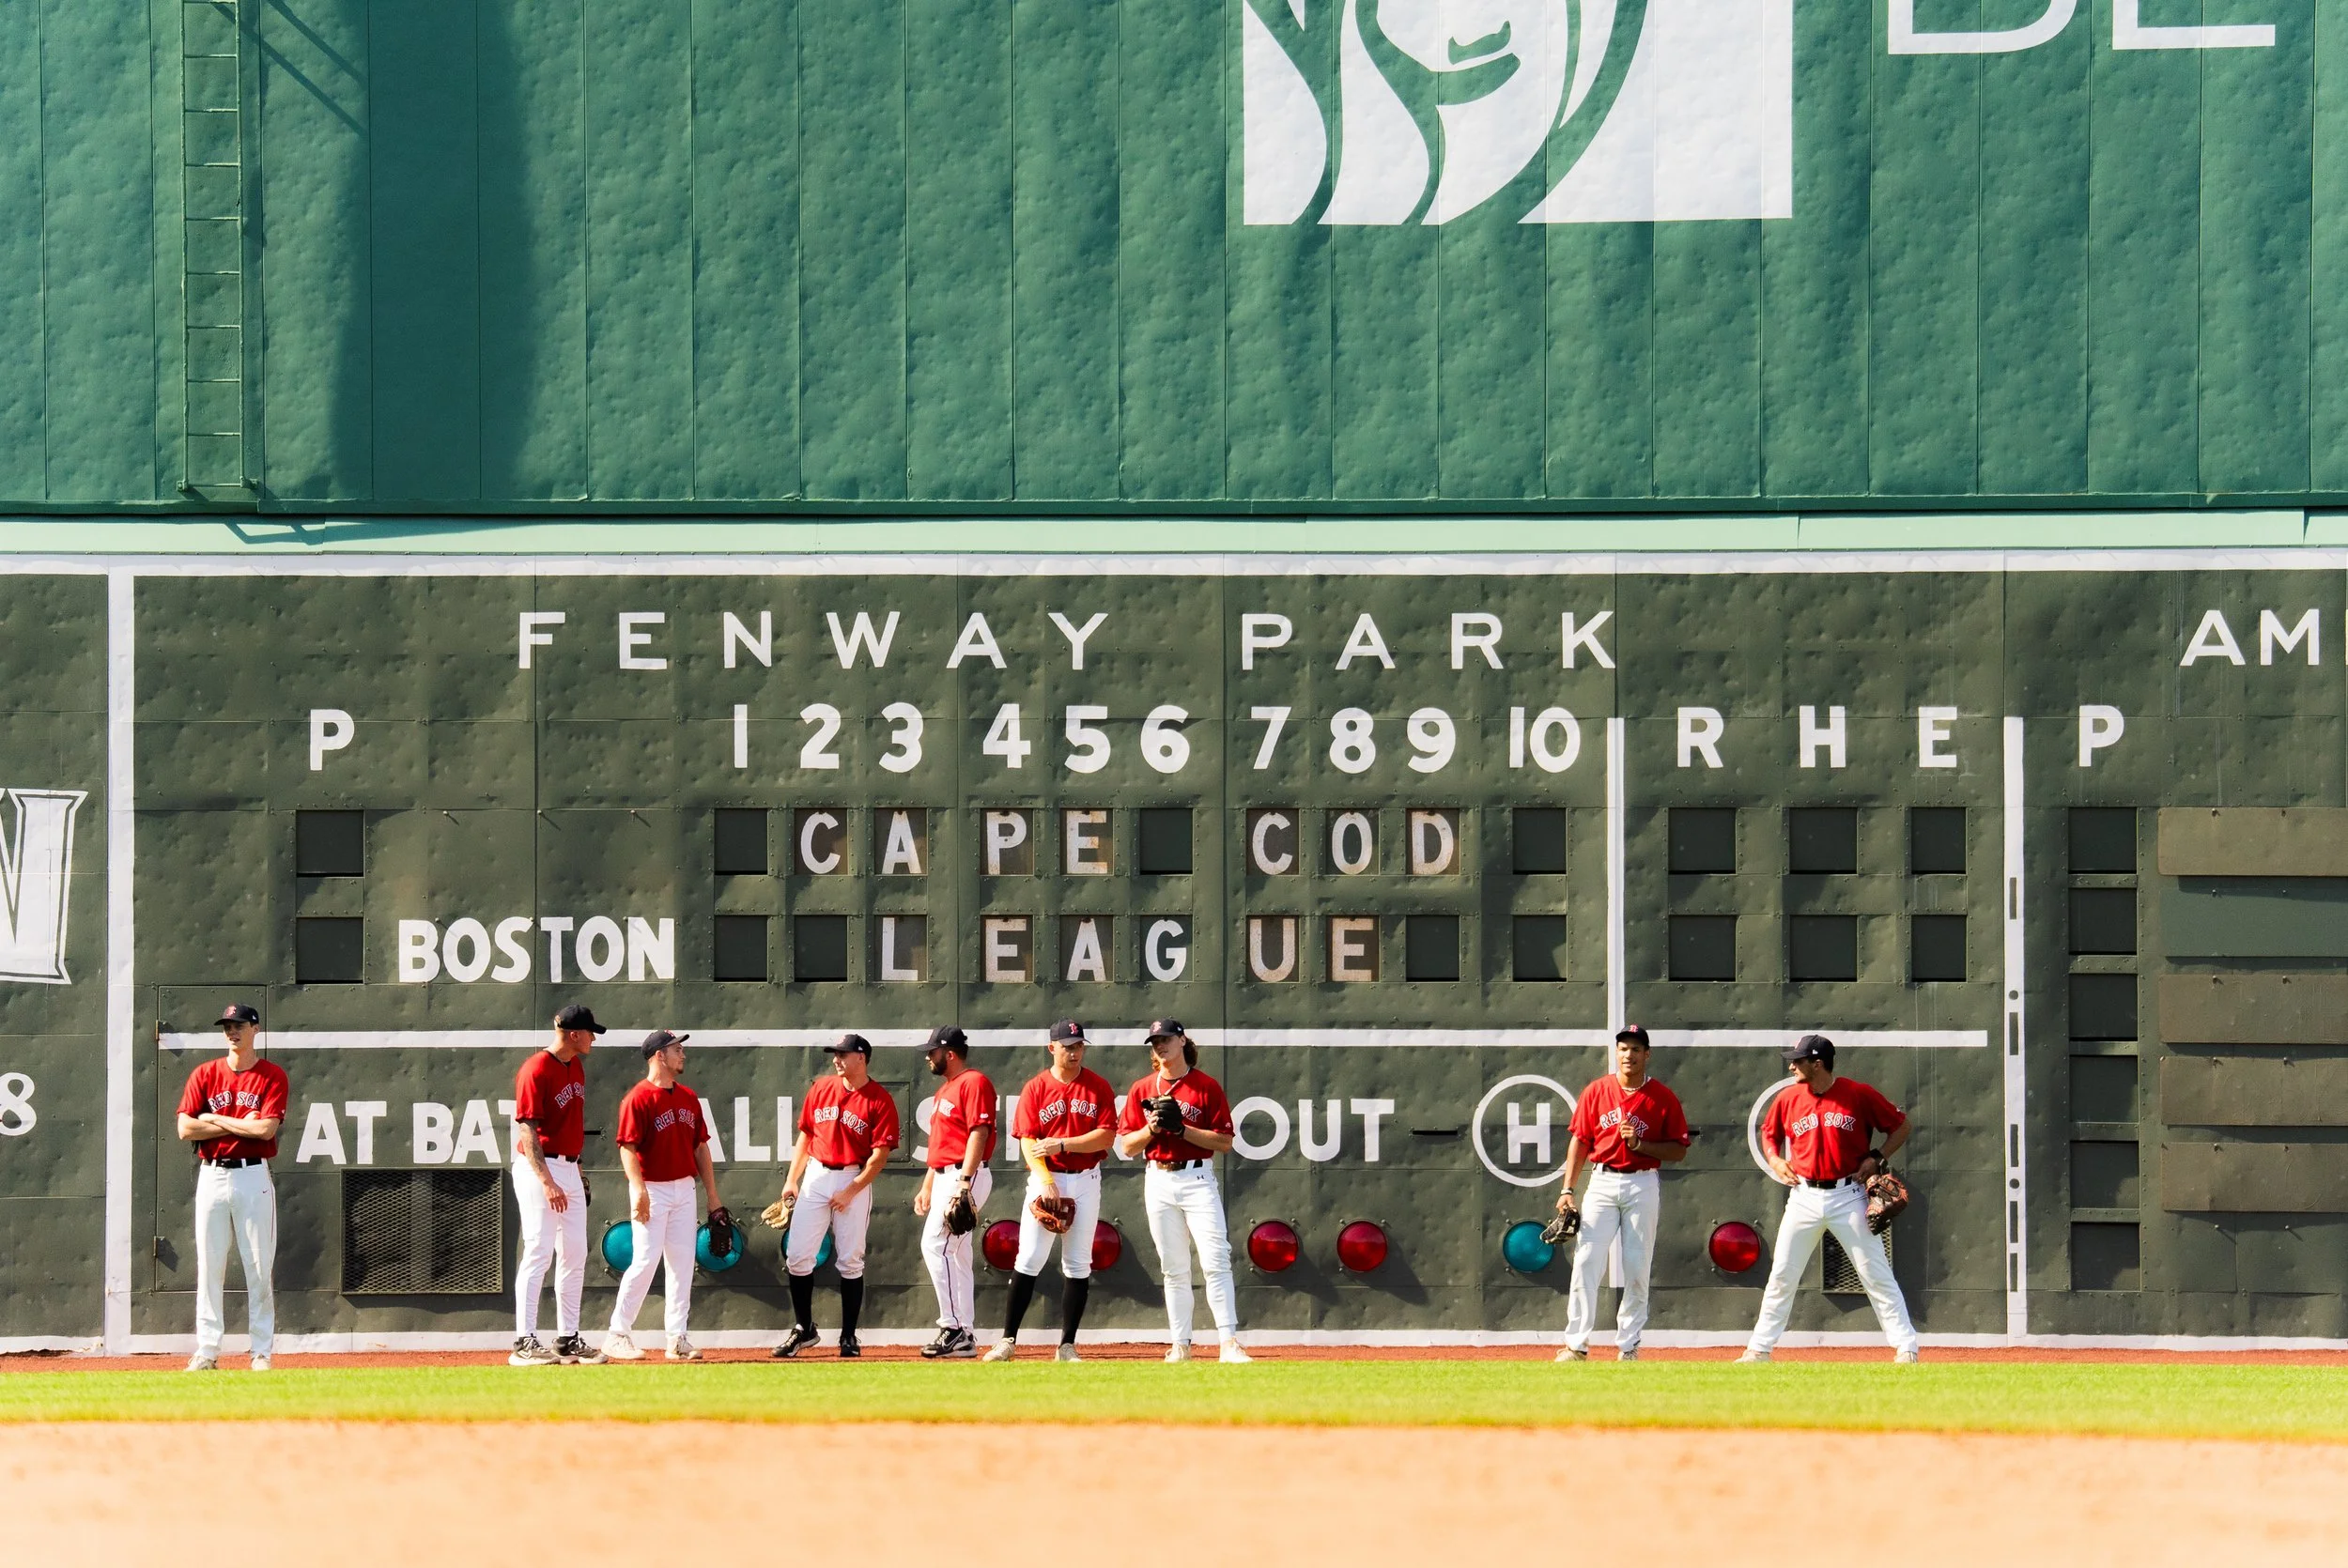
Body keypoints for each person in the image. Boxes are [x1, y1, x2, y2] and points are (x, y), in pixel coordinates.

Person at [1738, 1034, 1920, 1364]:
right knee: (1782, 1274)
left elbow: (1901, 1125)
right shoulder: (1789, 1098)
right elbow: (1769, 1133)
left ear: (1817, 1063)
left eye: (1798, 1060)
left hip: (1848, 1194)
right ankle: (1759, 1349)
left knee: (1875, 1272)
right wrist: (1776, 1160)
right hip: (1804, 1196)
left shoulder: (1857, 1094)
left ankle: (1906, 1347)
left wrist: (1877, 1156)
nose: (1792, 1065)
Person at [1114, 1020, 1250, 1364]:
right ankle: (1181, 1344)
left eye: (1166, 1039)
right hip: (1158, 1179)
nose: (1160, 1046)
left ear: (1182, 1040)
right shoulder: (1142, 1088)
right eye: (1155, 1041)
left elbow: (1224, 1142)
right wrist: (1153, 1128)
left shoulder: (1205, 1086)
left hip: (1197, 1179)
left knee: (1215, 1260)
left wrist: (1182, 1129)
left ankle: (1228, 1342)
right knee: (1173, 1267)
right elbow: (1128, 1146)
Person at [985, 1019, 1120, 1363]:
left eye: (1078, 1046)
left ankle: (1067, 1346)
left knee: (1077, 1264)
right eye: (1067, 1046)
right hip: (1048, 1178)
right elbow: (1029, 1140)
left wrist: (1062, 1144)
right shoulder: (1036, 1088)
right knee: (1028, 1258)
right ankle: (1007, 1341)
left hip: (1086, 1178)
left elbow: (1106, 1136)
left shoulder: (1098, 1087)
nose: (1074, 1052)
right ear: (1052, 1048)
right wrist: (1045, 1179)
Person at [1553, 1023, 1689, 1362]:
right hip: (1601, 1181)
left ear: (1647, 1054)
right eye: (1623, 1048)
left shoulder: (1663, 1097)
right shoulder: (1597, 1091)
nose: (1629, 1055)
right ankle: (1576, 1345)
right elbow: (1581, 1140)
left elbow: (1678, 1151)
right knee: (1587, 1261)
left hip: (1642, 1182)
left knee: (1636, 1265)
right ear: (1617, 1053)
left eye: (1636, 1049)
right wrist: (1567, 1188)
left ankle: (1628, 1346)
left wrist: (1641, 1144)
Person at [596, 1029, 725, 1363]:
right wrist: (638, 1189)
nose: (682, 1055)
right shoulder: (638, 1098)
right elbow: (627, 1147)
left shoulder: (688, 1097)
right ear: (659, 1057)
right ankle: (617, 1334)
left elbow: (701, 1147)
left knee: (682, 1264)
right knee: (644, 1260)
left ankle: (677, 1338)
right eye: (676, 1050)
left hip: (684, 1187)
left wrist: (712, 1196)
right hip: (651, 1187)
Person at [176, 1003, 289, 1373]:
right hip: (212, 1173)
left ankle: (260, 1352)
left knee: (258, 1266)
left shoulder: (271, 1076)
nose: (231, 1031)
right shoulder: (205, 1074)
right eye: (227, 1026)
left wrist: (215, 1118)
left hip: (253, 1175)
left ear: (255, 1028)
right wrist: (240, 1122)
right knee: (209, 1265)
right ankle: (207, 1351)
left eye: (239, 1025)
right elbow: (186, 1130)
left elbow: (265, 1130)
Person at [773, 1033, 900, 1359]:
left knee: (850, 1259)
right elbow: (806, 1136)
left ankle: (848, 1336)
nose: (836, 1059)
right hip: (816, 1173)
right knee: (798, 1256)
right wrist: (792, 1180)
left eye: (843, 1054)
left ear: (862, 1058)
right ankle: (804, 1329)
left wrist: (851, 1190)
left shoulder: (879, 1099)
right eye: (835, 1054)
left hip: (852, 1176)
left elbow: (879, 1156)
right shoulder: (821, 1088)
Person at [509, 1003, 602, 1366]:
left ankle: (567, 1337)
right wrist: (547, 1182)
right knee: (539, 1250)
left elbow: (569, 1127)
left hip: (568, 1167)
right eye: (591, 1032)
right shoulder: (536, 1069)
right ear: (574, 1034)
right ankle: (524, 1341)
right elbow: (528, 1131)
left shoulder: (575, 1066)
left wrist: (576, 1170)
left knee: (575, 1251)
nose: (594, 1038)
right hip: (539, 1167)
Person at [915, 1024, 996, 1360]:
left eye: (932, 1052)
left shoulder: (974, 1082)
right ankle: (965, 1334)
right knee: (957, 1255)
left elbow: (979, 1131)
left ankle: (953, 1328)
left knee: (935, 1244)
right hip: (946, 1174)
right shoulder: (943, 1091)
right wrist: (928, 1185)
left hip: (966, 1172)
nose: (927, 1057)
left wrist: (965, 1180)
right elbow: (940, 1145)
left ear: (949, 1053)